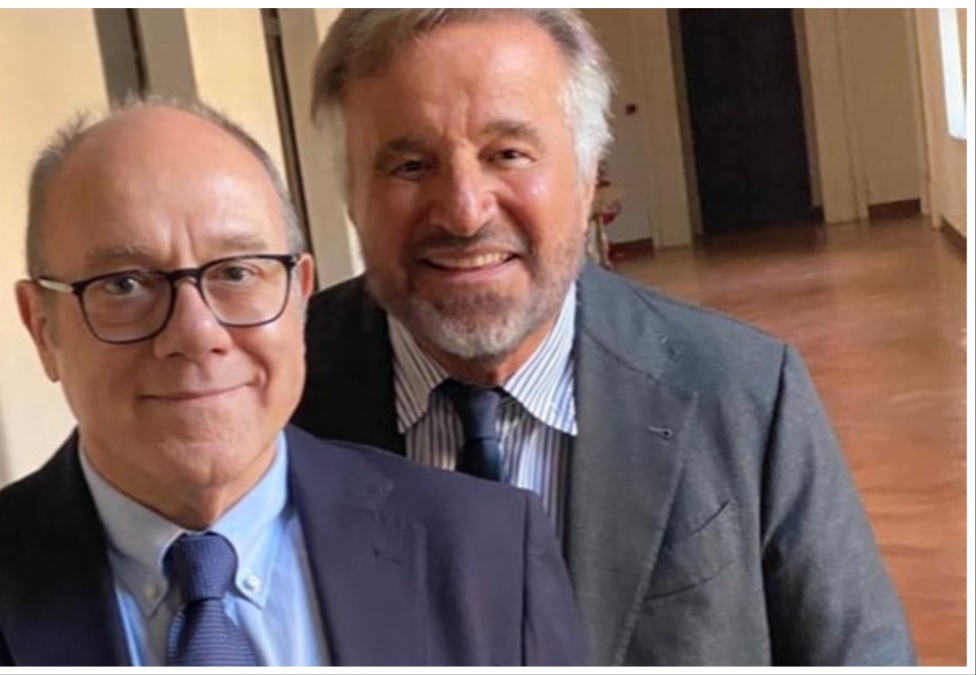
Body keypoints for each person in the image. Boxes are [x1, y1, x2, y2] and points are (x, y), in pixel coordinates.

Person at [0, 100, 584, 666]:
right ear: (43, 327)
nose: (195, 333)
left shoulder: (488, 550)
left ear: (299, 296)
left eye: (236, 273)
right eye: (124, 284)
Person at [289, 8, 916, 666]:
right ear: (350, 193)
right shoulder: (272, 400)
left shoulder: (747, 393)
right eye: (411, 165)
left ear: (588, 175)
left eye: (508, 154)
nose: (465, 212)